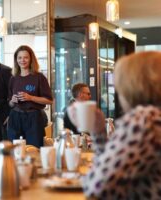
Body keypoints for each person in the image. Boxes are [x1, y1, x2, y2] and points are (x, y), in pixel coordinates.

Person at [68, 51, 161, 199]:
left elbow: (97, 187)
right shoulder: (155, 118)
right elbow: (116, 166)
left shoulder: (144, 120)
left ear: (133, 85)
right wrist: (98, 132)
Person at [8, 45, 53, 148]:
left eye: (25, 57)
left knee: (35, 148)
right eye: (19, 58)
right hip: (15, 117)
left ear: (31, 59)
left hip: (34, 117)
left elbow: (49, 100)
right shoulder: (13, 78)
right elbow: (9, 103)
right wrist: (12, 100)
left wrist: (31, 98)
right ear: (16, 60)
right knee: (15, 150)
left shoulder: (39, 77)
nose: (22, 60)